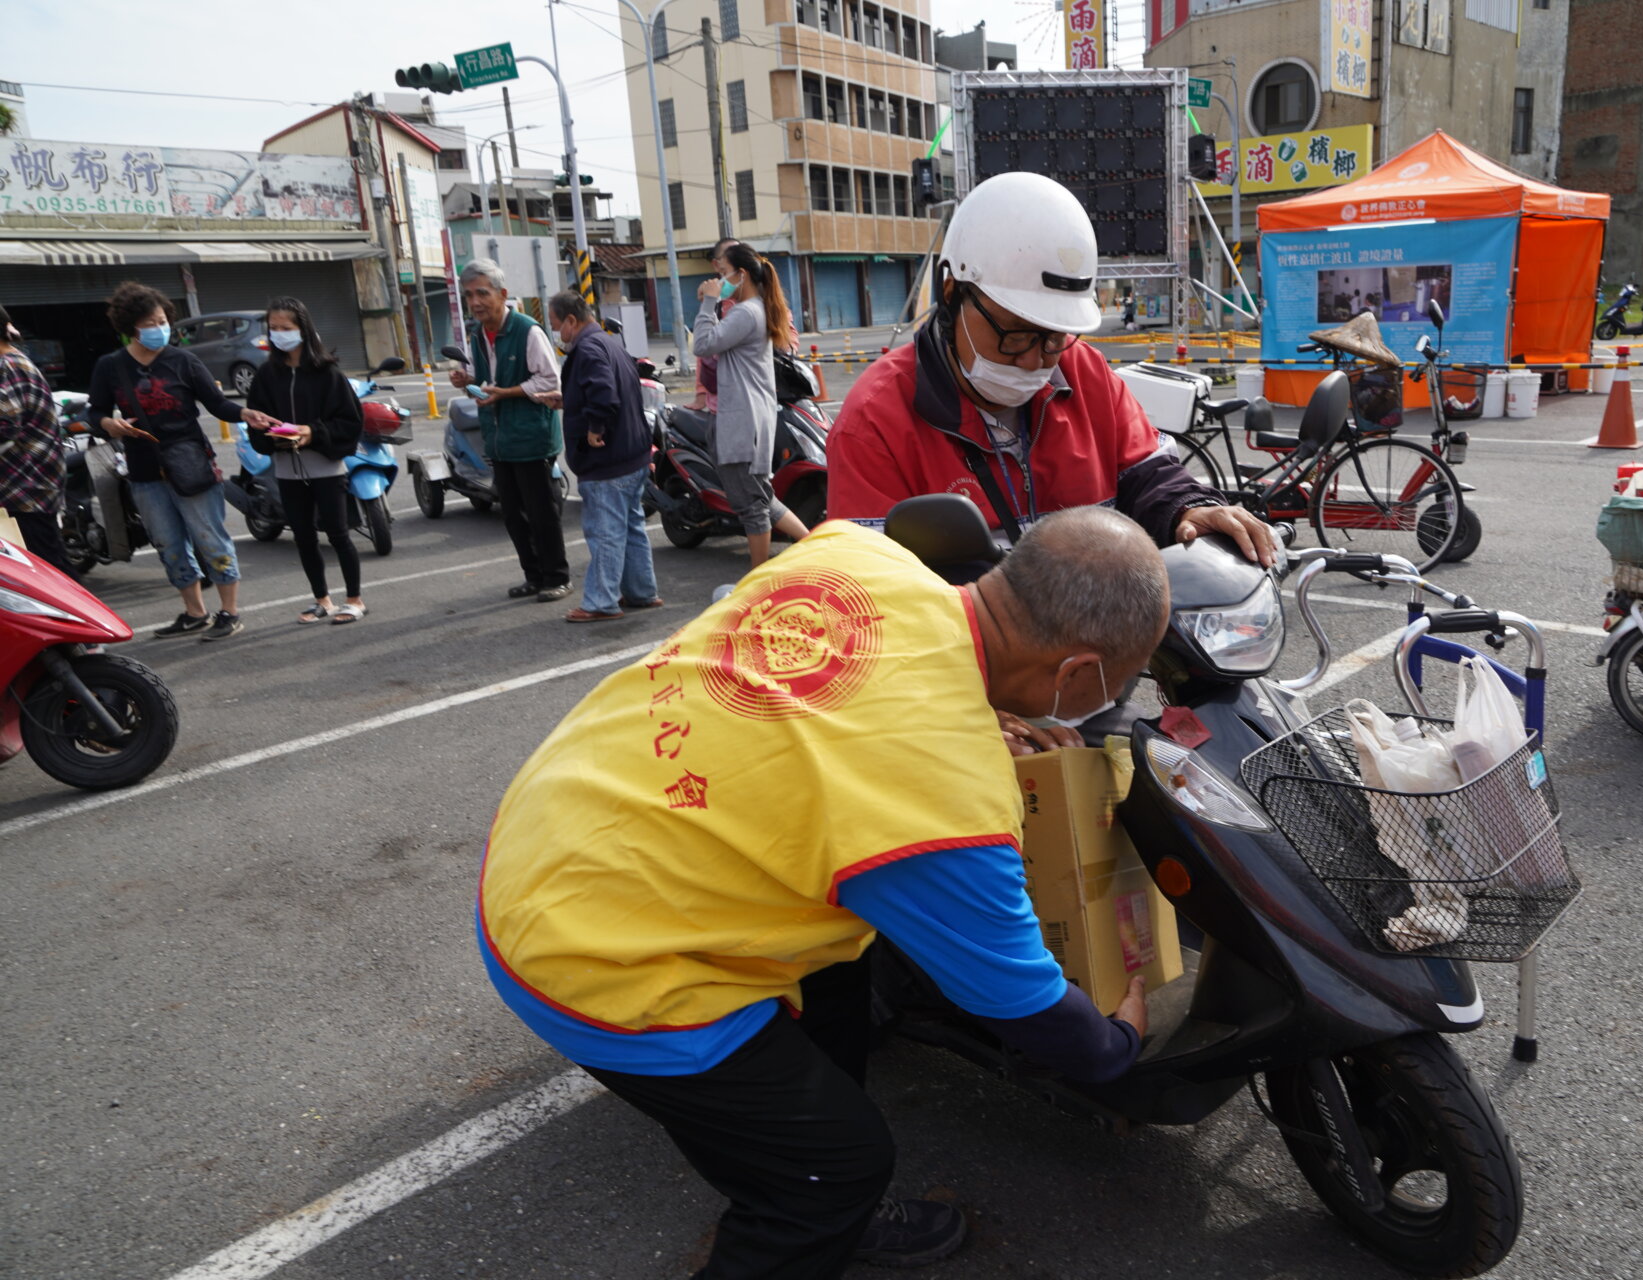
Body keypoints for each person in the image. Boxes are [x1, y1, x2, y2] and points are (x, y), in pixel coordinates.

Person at [480, 507, 1165, 1279]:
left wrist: (977, 708)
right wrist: (1118, 1043)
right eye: (1121, 678)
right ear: (1076, 674)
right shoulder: (949, 805)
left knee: (842, 963)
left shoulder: (860, 555)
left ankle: (782, 1144)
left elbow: (855, 696)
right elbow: (1019, 1000)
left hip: (558, 826)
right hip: (592, 957)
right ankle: (806, 1197)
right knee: (834, 1171)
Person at [825, 171, 1273, 567]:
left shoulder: (1084, 371)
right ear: (951, 293)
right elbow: (871, 588)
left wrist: (1189, 510)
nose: (1034, 360)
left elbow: (1148, 474)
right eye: (1015, 333)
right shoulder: (875, 420)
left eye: (1054, 336)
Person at [88, 281, 267, 640]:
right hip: (142, 470)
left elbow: (217, 405)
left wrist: (246, 413)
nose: (160, 328)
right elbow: (95, 413)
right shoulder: (110, 366)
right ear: (131, 327)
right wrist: (110, 424)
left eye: (162, 320)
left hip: (191, 464)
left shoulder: (184, 360)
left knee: (210, 538)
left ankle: (229, 612)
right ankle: (194, 612)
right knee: (168, 544)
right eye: (150, 322)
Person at [534, 290, 663, 623]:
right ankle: (641, 592)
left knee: (605, 531)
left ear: (572, 321)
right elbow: (607, 388)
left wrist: (595, 428)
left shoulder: (588, 348)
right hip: (632, 454)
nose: (556, 333)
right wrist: (569, 401)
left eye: (556, 325)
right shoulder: (608, 343)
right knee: (631, 526)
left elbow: (604, 395)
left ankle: (601, 602)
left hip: (608, 460)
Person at [449, 260, 571, 602]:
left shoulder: (527, 330)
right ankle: (533, 576)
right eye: (469, 295)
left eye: (482, 293)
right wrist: (466, 380)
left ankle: (557, 577)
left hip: (532, 438)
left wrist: (506, 392)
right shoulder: (477, 335)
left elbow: (549, 380)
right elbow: (482, 379)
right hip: (498, 440)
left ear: (502, 294)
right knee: (514, 518)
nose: (475, 302)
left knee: (542, 514)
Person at [244, 296, 370, 624]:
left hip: (326, 467)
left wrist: (312, 432)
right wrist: (269, 432)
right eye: (273, 329)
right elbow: (254, 422)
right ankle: (322, 600)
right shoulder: (266, 376)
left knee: (339, 534)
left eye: (286, 328)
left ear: (304, 329)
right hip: (286, 470)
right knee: (303, 536)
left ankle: (354, 599)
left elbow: (350, 422)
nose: (279, 334)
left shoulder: (328, 373)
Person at [691, 243, 812, 569]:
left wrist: (709, 302)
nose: (719, 278)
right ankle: (814, 546)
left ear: (741, 274)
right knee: (761, 497)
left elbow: (702, 345)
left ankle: (758, 579)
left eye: (724, 273)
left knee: (750, 505)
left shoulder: (745, 312)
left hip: (740, 421)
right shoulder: (757, 308)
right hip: (751, 417)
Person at [0, 304, 75, 575]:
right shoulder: (14, 359)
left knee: (51, 572)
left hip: (25, 487)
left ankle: (80, 618)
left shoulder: (6, 365)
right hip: (29, 485)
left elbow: (5, 425)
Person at [693, 238, 740, 412]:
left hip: (746, 399)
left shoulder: (751, 307)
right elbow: (703, 349)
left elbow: (786, 335)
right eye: (729, 257)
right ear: (716, 264)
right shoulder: (715, 300)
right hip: (721, 403)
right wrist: (701, 393)